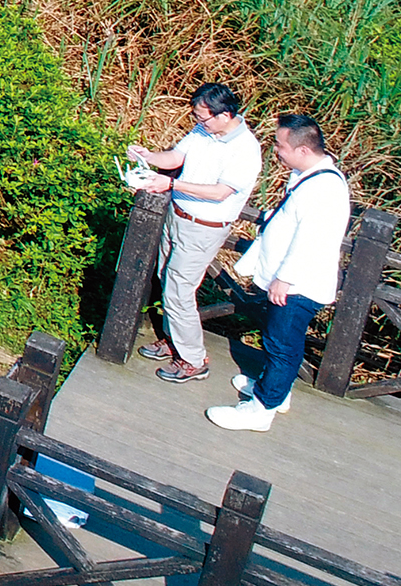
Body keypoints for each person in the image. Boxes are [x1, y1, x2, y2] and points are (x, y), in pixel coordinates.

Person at [210, 114, 350, 432]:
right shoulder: (311, 175)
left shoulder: (324, 187)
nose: (276, 150)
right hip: (293, 280)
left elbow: (312, 238)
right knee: (284, 341)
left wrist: (285, 279)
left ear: (302, 150)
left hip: (298, 284)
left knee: (280, 344)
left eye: (280, 145)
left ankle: (262, 409)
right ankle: (278, 391)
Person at [134, 82, 262, 385]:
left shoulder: (246, 150)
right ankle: (173, 340)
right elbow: (177, 158)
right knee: (167, 278)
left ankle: (193, 359)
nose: (198, 122)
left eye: (202, 118)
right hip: (177, 217)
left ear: (225, 114)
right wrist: (148, 155)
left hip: (204, 227)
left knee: (179, 290)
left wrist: (172, 185)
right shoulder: (204, 130)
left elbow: (220, 193)